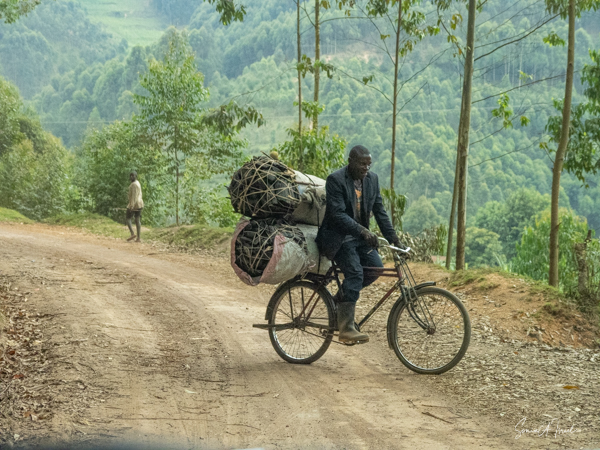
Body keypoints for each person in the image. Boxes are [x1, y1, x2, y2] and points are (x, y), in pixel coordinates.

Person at [316, 145, 404, 344]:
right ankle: (346, 328)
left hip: (359, 238)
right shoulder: (336, 180)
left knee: (376, 268)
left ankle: (338, 302)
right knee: (355, 273)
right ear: (351, 161)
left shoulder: (372, 180)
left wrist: (395, 240)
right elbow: (337, 215)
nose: (366, 168)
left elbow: (380, 212)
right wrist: (363, 231)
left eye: (369, 164)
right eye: (362, 164)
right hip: (338, 238)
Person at [126, 171, 144, 242]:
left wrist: (131, 206)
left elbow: (133, 196)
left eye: (133, 175)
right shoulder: (138, 182)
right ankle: (138, 238)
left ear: (136, 176)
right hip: (140, 203)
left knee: (128, 218)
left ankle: (132, 233)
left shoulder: (133, 185)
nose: (131, 177)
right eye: (130, 176)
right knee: (137, 219)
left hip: (135, 204)